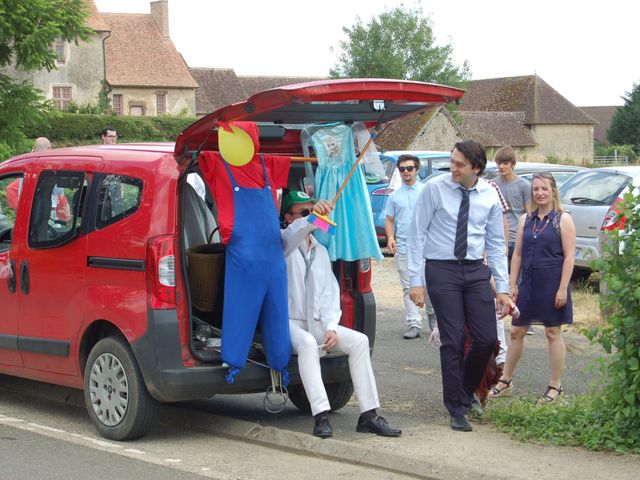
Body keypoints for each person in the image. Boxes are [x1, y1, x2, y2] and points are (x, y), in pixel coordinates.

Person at [407, 140, 512, 432]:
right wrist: (415, 282)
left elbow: (495, 242)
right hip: (441, 270)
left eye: (459, 164)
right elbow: (416, 236)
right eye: (452, 161)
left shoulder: (489, 194)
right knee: (452, 339)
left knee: (486, 338)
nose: (452, 167)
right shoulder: (434, 188)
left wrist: (502, 288)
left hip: (476, 270)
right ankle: (456, 408)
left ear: (476, 168)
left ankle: (465, 392)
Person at [281, 190, 401, 439]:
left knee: (359, 341)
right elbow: (295, 234)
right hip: (289, 322)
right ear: (288, 218)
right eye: (304, 212)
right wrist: (314, 216)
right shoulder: (283, 243)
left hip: (316, 321)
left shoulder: (321, 252)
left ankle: (369, 415)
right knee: (307, 344)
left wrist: (331, 327)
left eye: (311, 210)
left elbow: (329, 295)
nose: (310, 216)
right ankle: (320, 415)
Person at [489, 173, 575, 403]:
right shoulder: (527, 219)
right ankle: (505, 380)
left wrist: (562, 288)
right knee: (516, 330)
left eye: (544, 188)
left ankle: (555, 386)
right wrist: (511, 285)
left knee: (551, 332)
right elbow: (516, 254)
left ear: (553, 191)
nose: (539, 193)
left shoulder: (563, 219)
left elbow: (569, 257)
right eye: (536, 189)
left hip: (552, 282)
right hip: (527, 282)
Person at [384, 154, 437, 339]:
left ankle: (433, 318)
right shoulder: (395, 196)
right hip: (404, 246)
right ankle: (414, 324)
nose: (406, 172)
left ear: (417, 170)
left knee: (430, 284)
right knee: (408, 286)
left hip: (426, 246)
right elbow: (389, 219)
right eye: (402, 169)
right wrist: (391, 237)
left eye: (409, 168)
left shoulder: (426, 191)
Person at [491, 146, 535, 335]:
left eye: (505, 163)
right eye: (499, 163)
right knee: (500, 278)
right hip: (499, 238)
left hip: (518, 237)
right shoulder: (492, 184)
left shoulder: (523, 185)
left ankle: (524, 317)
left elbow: (529, 212)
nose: (501, 167)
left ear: (513, 164)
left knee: (520, 280)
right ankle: (502, 311)